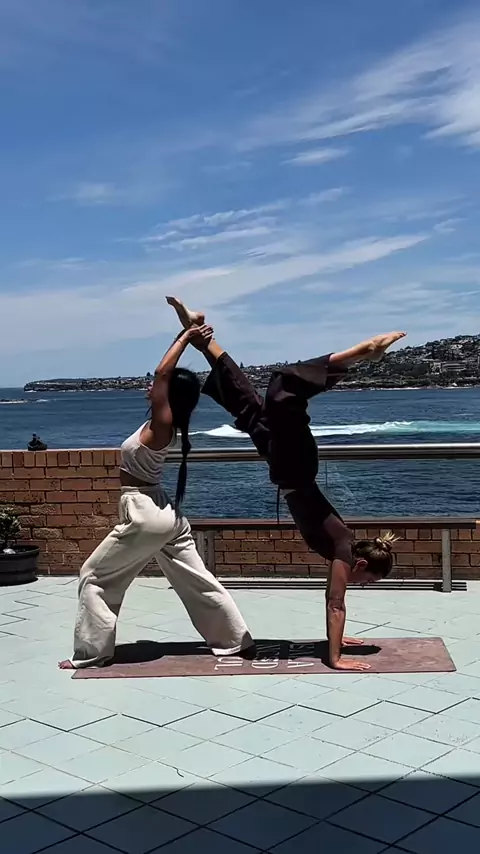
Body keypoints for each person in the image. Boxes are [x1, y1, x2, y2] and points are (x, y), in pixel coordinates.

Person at [167, 296, 403, 672]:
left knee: (246, 403)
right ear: (360, 563)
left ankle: (201, 334)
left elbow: (336, 603)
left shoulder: (342, 546)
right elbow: (335, 603)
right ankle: (362, 353)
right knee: (281, 392)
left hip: (285, 467)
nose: (361, 585)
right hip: (296, 468)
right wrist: (335, 658)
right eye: (367, 580)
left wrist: (339, 638)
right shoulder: (343, 552)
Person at [59, 325, 254, 669]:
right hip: (164, 512)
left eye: (158, 385)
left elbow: (163, 372)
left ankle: (92, 653)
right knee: (197, 580)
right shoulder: (163, 423)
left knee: (94, 576)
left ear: (169, 394)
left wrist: (185, 336)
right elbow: (163, 377)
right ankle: (236, 639)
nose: (150, 385)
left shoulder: (163, 423)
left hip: (145, 511)